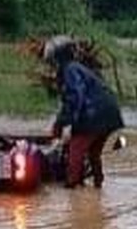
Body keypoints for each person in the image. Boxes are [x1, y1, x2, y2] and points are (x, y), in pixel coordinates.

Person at [44, 36, 124, 189]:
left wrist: (64, 124)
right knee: (93, 153)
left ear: (57, 57)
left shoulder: (69, 71)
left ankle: (72, 188)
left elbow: (75, 98)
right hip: (110, 114)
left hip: (94, 114)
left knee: (76, 149)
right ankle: (97, 186)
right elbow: (74, 99)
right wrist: (63, 122)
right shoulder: (78, 68)